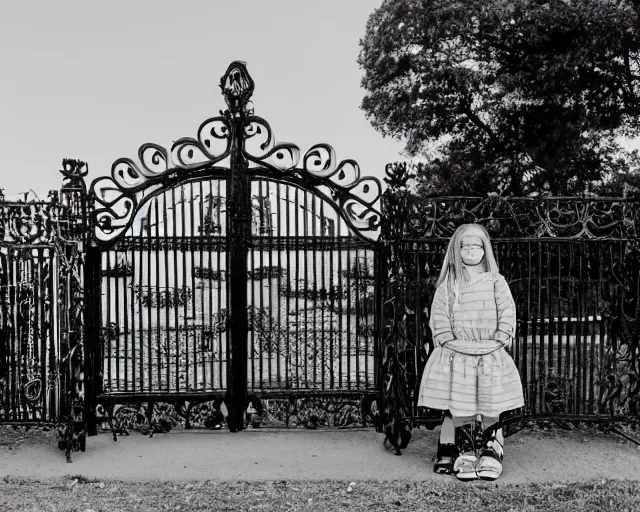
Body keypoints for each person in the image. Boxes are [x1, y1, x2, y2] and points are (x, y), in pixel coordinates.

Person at [417, 223, 524, 480]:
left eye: (477, 245)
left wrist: (501, 337)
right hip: (459, 356)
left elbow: (507, 312)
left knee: (491, 401)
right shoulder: (449, 286)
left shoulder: (497, 282)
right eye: (465, 246)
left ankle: (492, 448)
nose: (471, 251)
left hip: (489, 353)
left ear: (485, 249)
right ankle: (464, 449)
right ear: (457, 249)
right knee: (460, 402)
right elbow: (439, 317)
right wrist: (447, 339)